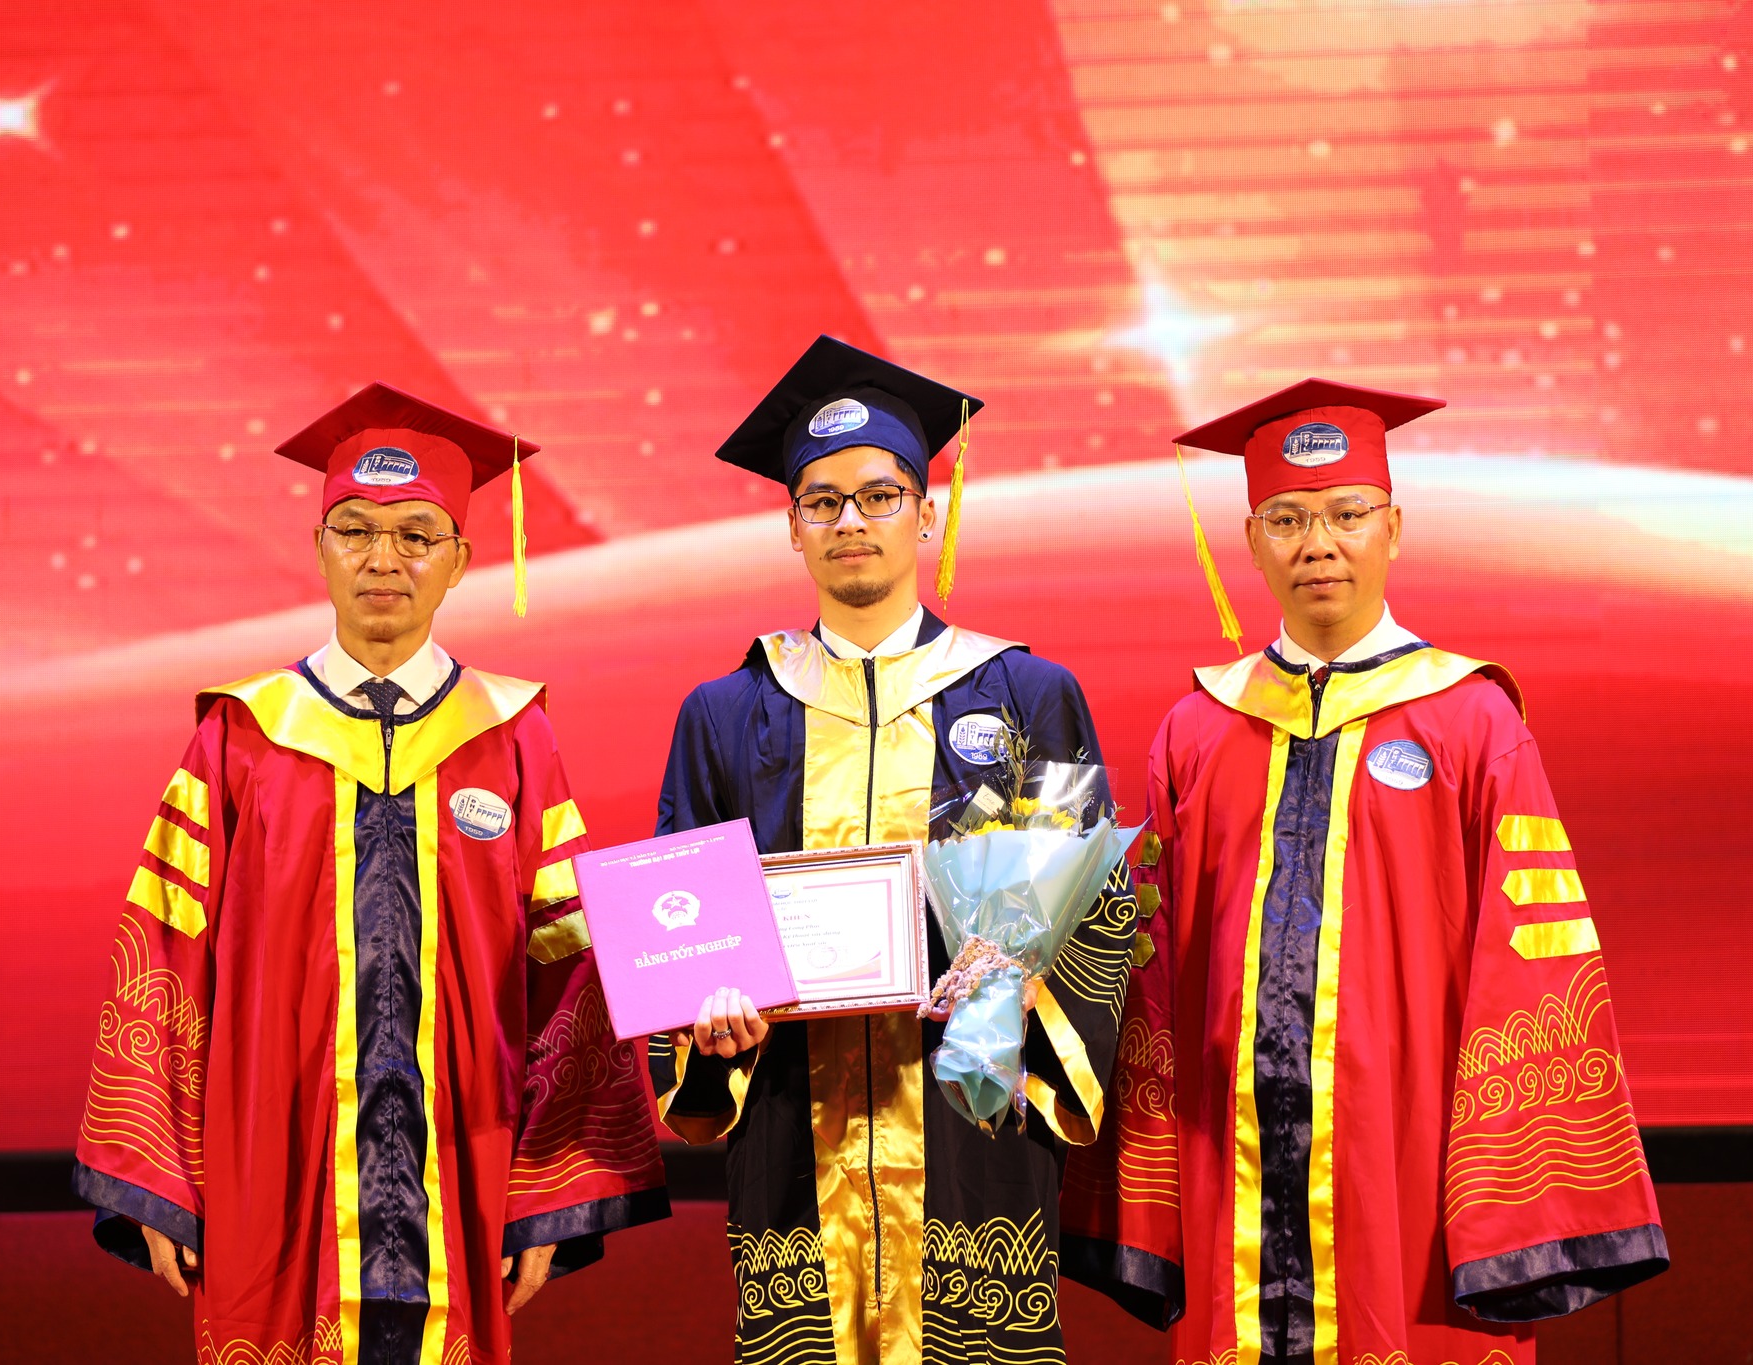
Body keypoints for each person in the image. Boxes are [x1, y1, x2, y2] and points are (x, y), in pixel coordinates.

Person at [1061, 380, 1667, 1364]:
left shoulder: (1471, 720)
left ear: (1393, 527)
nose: (1318, 544)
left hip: (1412, 1179)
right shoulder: (1197, 731)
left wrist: (1502, 1193)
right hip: (1231, 1183)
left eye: (1346, 514)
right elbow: (1152, 969)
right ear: (1250, 538)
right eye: (1287, 519)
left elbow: (1531, 961)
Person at [73, 384, 668, 1365]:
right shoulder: (242, 737)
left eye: (416, 535)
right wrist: (159, 1177)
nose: (383, 558)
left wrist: (545, 1196)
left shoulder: (513, 738)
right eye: (354, 530)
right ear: (318, 550)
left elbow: (567, 969)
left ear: (460, 561)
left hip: (462, 1173)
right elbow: (166, 955)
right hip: (271, 1176)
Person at [650, 336, 1137, 1365]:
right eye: (822, 502)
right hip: (791, 1141)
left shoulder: (1028, 695)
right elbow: (677, 930)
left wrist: (1017, 986)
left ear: (926, 513)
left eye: (878, 496)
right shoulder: (725, 714)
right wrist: (706, 1022)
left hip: (971, 1140)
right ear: (791, 526)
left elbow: (1101, 917)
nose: (850, 522)